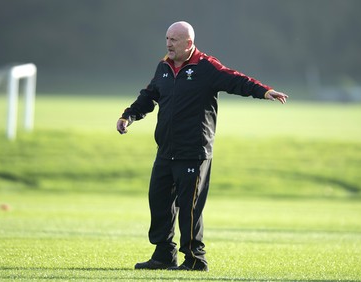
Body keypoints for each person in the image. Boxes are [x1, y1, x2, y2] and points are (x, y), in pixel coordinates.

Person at [116, 21, 288, 272]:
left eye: (174, 40)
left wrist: (264, 91)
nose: (168, 43)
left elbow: (236, 80)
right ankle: (164, 255)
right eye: (167, 38)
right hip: (166, 151)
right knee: (159, 202)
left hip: (194, 153)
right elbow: (149, 96)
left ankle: (195, 260)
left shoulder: (206, 67)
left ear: (189, 43)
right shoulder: (163, 66)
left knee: (189, 210)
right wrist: (128, 116)